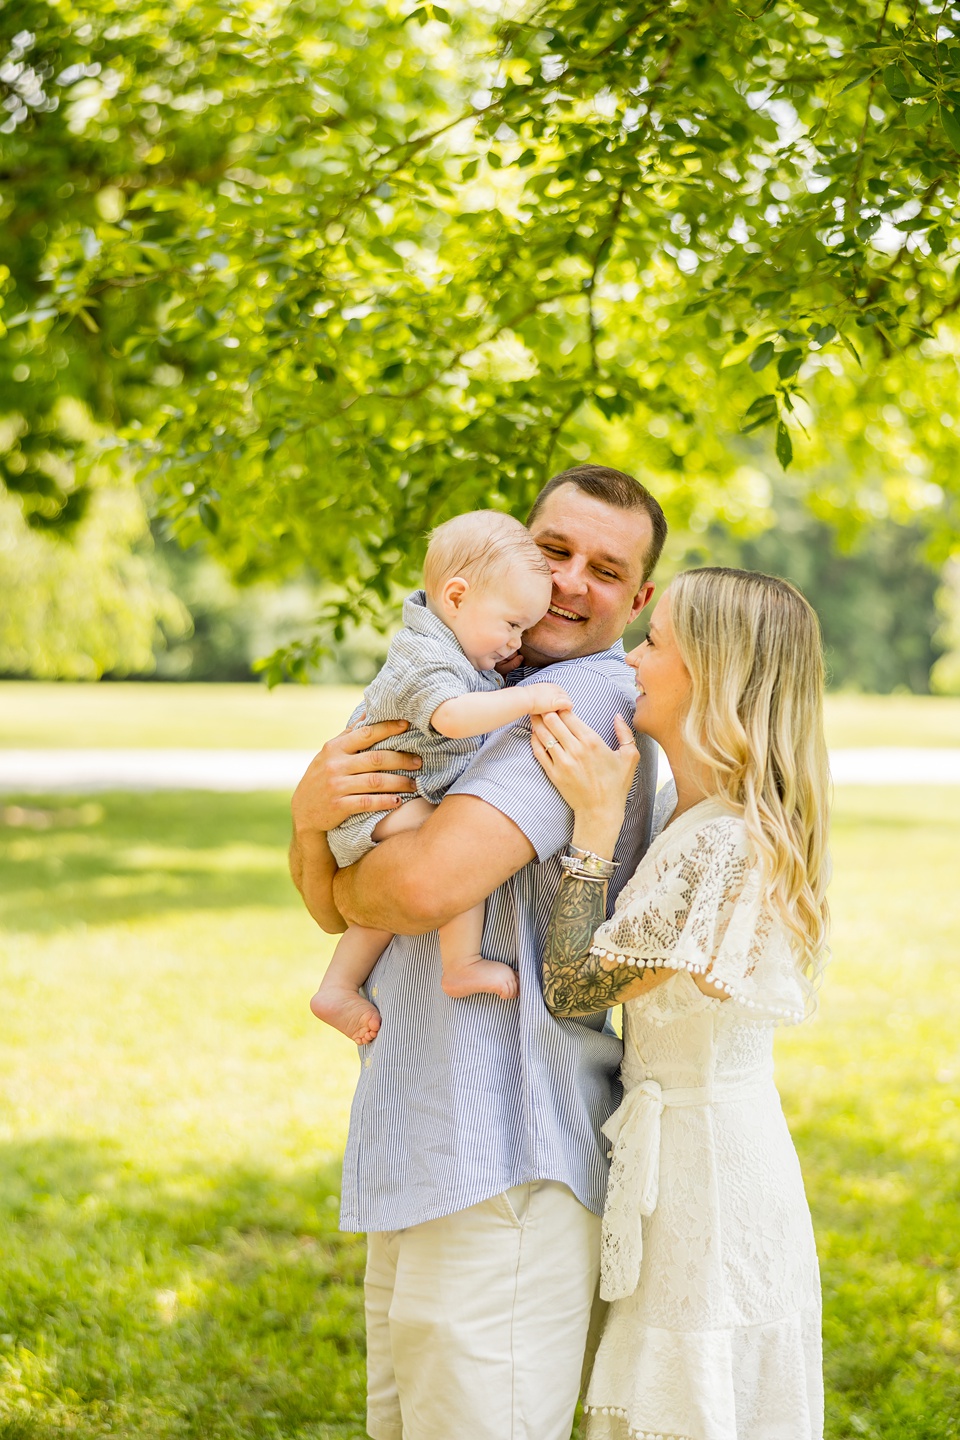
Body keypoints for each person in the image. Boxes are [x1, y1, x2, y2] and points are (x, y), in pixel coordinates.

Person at [289, 464, 667, 1440]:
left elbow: (417, 888)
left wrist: (338, 862)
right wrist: (306, 822)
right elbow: (333, 911)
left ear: (640, 599)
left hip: (507, 1156)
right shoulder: (480, 677)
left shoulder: (582, 701)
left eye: (606, 568)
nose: (574, 582)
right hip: (427, 1141)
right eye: (555, 551)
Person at [531, 566, 829, 1440]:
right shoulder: (683, 812)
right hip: (678, 1158)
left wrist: (592, 825)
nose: (631, 656)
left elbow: (571, 986)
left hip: (709, 1179)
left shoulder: (729, 845)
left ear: (712, 673)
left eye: (655, 641)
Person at [313, 509, 573, 1045]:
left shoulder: (450, 647)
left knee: (387, 905)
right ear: (455, 598)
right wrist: (521, 696)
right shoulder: (427, 659)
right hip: (379, 801)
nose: (514, 642)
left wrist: (489, 672)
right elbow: (451, 717)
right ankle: (462, 963)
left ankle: (337, 987)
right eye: (511, 625)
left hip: (382, 803)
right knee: (455, 853)